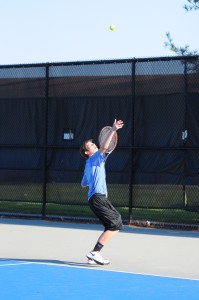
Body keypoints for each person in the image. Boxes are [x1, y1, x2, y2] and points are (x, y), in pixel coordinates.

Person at [80, 119, 124, 265]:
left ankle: (92, 254)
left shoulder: (89, 164)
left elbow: (83, 183)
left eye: (94, 143)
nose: (94, 145)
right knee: (116, 223)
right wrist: (113, 130)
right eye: (91, 145)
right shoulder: (94, 158)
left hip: (94, 200)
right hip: (98, 198)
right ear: (88, 152)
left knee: (110, 226)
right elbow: (105, 146)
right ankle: (95, 253)